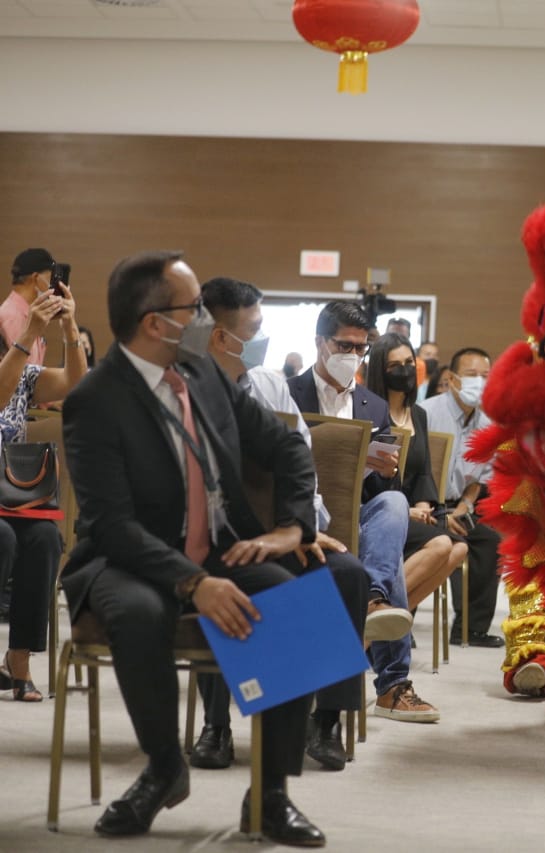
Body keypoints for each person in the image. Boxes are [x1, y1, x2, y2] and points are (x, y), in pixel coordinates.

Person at [60, 251, 326, 845]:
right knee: (139, 611)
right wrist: (192, 582)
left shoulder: (204, 374)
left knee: (297, 605)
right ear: (157, 322)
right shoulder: (95, 400)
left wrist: (292, 526)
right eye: (196, 307)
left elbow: (284, 448)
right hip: (127, 558)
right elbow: (111, 524)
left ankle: (271, 796)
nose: (206, 317)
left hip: (218, 548)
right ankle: (162, 768)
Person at [193, 277, 372, 772]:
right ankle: (216, 725)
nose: (261, 341)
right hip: (213, 543)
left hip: (283, 532)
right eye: (252, 330)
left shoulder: (269, 386)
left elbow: (301, 460)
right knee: (228, 576)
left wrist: (304, 526)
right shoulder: (182, 394)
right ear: (217, 335)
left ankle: (326, 722)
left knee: (348, 574)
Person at [287, 301, 439, 723]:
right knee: (387, 563)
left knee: (393, 502)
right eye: (343, 345)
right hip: (301, 513)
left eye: (361, 348)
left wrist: (385, 468)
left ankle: (373, 600)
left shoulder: (372, 406)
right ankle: (392, 682)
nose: (352, 356)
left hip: (356, 512)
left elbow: (385, 485)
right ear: (320, 342)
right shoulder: (288, 393)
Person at [0, 279, 87, 702]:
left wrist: (70, 329)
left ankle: (18, 659)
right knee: (2, 539)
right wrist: (30, 333)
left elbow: (76, 384)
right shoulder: (12, 367)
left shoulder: (25, 373)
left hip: (11, 496)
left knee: (45, 539)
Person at [365, 334, 468, 611]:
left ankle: (389, 622)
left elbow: (423, 472)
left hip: (414, 511)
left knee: (459, 548)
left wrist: (423, 507)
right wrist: (405, 510)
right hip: (381, 511)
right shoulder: (370, 412)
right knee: (441, 546)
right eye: (395, 365)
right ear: (380, 370)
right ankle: (374, 614)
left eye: (409, 362)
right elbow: (369, 477)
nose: (405, 370)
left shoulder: (418, 414)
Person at [418, 347, 504, 647]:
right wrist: (438, 512)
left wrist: (465, 506)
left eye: (485, 376)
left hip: (461, 505)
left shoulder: (490, 422)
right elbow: (415, 470)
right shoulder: (426, 413)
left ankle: (470, 628)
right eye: (471, 376)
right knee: (420, 540)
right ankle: (397, 626)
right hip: (425, 503)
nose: (478, 383)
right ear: (452, 379)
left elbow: (480, 478)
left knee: (490, 540)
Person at [4, 248, 63, 366]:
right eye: (49, 279)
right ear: (36, 278)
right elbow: (21, 377)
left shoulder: (28, 315)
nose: (51, 286)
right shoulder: (13, 318)